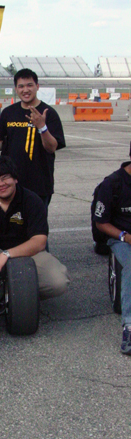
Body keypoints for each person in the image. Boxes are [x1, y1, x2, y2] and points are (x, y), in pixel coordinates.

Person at [0, 156, 69, 299]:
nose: (0, 184)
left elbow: (39, 242)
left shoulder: (32, 200)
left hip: (28, 254)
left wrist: (6, 254)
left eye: (5, 178)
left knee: (57, 282)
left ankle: (19, 294)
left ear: (15, 179)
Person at [0, 68, 65, 208]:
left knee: (35, 226)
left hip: (39, 184)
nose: (25, 90)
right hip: (9, 184)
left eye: (29, 85)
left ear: (37, 87)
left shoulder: (48, 113)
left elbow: (51, 147)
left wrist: (42, 127)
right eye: (21, 86)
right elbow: (0, 143)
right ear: (16, 88)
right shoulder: (9, 112)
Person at [93, 147, 131, 354]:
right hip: (121, 238)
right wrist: (125, 236)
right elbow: (101, 222)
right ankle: (129, 325)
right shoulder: (112, 184)